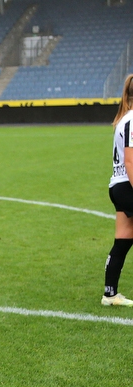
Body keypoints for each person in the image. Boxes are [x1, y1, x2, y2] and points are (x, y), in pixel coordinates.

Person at [102, 74, 133, 306]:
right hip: (127, 184)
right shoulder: (132, 119)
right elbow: (131, 161)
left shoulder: (124, 118)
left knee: (123, 239)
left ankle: (109, 294)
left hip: (118, 185)